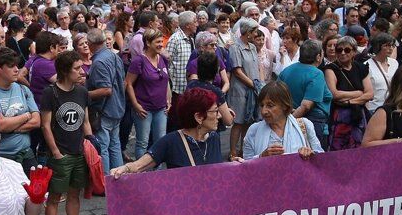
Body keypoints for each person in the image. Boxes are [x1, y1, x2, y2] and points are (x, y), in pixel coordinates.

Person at [40, 50, 95, 215]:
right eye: (77, 68)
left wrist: (90, 142)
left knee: (74, 194)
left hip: (79, 152)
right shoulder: (50, 93)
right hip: (60, 154)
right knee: (54, 197)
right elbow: (45, 125)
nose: (82, 72)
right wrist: (55, 152)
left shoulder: (82, 92)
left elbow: (86, 121)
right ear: (64, 71)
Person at [113, 87, 224, 173]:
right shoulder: (171, 142)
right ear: (198, 117)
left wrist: (236, 167)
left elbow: (219, 175)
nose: (219, 116)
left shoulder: (214, 138)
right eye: (215, 111)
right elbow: (139, 165)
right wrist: (124, 169)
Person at [242, 81, 323, 159]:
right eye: (262, 105)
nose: (264, 111)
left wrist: (309, 153)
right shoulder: (254, 130)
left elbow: (321, 157)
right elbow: (246, 165)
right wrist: (262, 157)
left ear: (284, 106)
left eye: (270, 105)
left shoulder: (304, 125)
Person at [85, 29, 127, 173]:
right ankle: (119, 179)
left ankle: (106, 181)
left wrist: (82, 94)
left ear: (90, 44)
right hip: (117, 107)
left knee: (103, 147)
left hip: (105, 110)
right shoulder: (113, 56)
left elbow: (106, 90)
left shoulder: (99, 62)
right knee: (114, 144)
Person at [126, 29, 171, 158]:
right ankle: (142, 174)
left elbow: (166, 81)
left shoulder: (162, 58)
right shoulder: (139, 61)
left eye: (161, 42)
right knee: (142, 143)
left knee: (160, 142)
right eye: (157, 42)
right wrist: (135, 105)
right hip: (144, 109)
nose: (161, 45)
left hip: (161, 108)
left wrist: (169, 100)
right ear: (148, 43)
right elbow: (128, 83)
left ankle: (157, 173)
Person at [323, 36, 372, 150]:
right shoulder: (330, 69)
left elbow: (370, 94)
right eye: (339, 50)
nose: (343, 53)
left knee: (360, 149)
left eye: (347, 50)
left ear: (354, 51)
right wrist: (359, 93)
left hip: (359, 115)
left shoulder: (361, 68)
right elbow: (334, 94)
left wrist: (349, 102)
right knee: (338, 149)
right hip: (340, 117)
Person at [227, 19, 265, 159]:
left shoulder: (253, 47)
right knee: (239, 121)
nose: (256, 34)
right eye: (254, 31)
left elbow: (257, 66)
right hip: (240, 90)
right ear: (248, 33)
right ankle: (233, 152)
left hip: (253, 89)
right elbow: (237, 71)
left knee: (249, 121)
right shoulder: (235, 47)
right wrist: (253, 84)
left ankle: (244, 150)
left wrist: (259, 84)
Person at [363, 33, 399, 114]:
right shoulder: (366, 65)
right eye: (386, 46)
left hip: (392, 107)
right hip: (374, 108)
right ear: (378, 47)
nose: (390, 49)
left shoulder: (394, 63)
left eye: (392, 46)